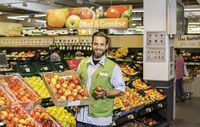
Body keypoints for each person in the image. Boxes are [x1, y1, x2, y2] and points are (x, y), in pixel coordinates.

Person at [76, 31, 125, 127]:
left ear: (106, 46)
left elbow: (121, 90)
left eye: (102, 44)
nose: (98, 47)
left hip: (100, 121)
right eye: (96, 44)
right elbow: (77, 85)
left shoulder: (113, 67)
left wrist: (105, 93)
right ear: (92, 45)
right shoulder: (82, 63)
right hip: (81, 117)